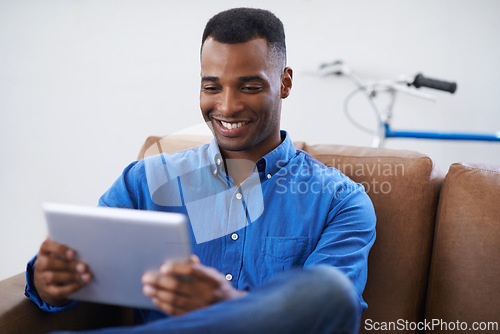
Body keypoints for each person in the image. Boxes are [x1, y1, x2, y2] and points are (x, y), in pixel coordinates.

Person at [25, 7, 376, 334]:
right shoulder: (143, 182)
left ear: (284, 83)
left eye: (250, 87)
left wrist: (231, 307)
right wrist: (50, 282)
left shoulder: (339, 200)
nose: (226, 106)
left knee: (332, 292)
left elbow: (331, 316)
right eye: (211, 87)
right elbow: (84, 274)